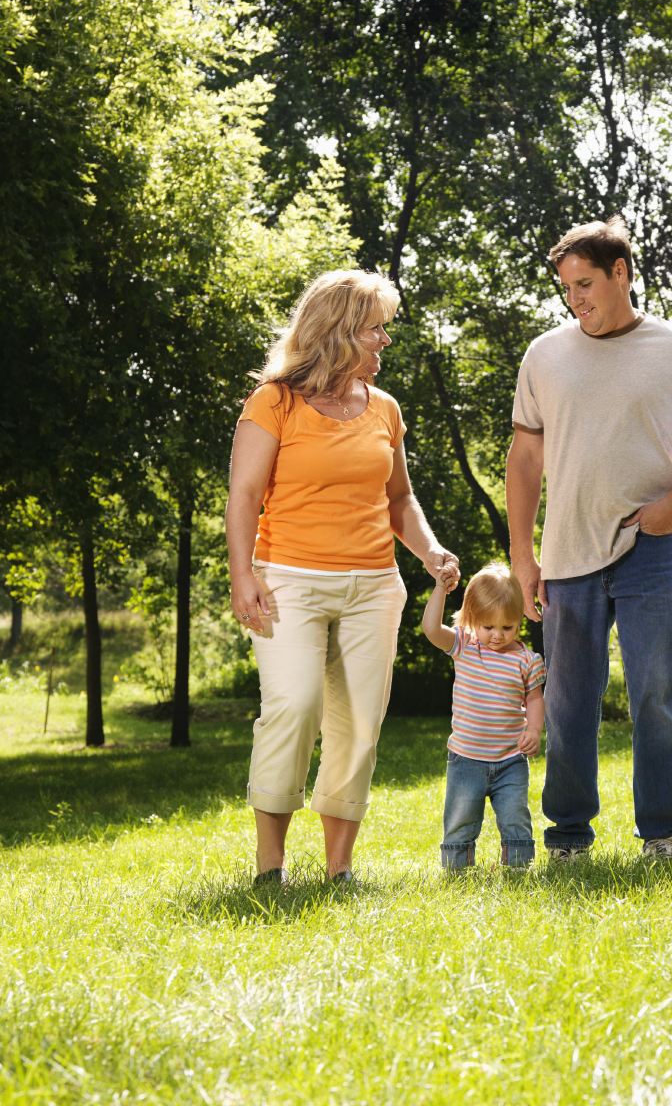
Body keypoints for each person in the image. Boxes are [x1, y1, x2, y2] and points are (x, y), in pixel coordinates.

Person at [506, 216, 672, 862]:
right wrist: (524, 555)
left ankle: (661, 833)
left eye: (586, 285)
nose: (577, 301)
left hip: (650, 551)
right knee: (570, 706)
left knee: (657, 696)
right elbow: (524, 460)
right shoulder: (545, 355)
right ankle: (569, 837)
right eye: (567, 290)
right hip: (568, 554)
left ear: (621, 274)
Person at [226, 269, 460, 885]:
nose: (385, 341)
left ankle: (338, 869)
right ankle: (270, 866)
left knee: (358, 723)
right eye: (374, 330)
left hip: (373, 586)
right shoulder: (274, 402)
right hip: (288, 582)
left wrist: (430, 552)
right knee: (294, 706)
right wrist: (241, 572)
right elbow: (244, 495)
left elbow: (400, 499)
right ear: (336, 333)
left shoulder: (384, 408)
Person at [421, 562, 547, 870]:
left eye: (508, 627)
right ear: (472, 619)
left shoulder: (528, 661)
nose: (497, 635)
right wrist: (440, 588)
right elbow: (431, 629)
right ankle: (458, 870)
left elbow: (535, 698)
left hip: (510, 759)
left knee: (516, 816)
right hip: (466, 759)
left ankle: (518, 867)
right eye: (488, 626)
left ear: (519, 622)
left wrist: (533, 731)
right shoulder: (464, 646)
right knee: (461, 819)